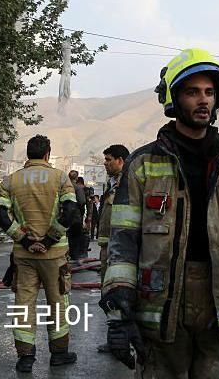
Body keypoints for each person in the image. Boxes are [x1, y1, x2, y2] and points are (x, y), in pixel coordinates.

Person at [101, 49, 219, 378]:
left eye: (209, 92)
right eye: (192, 92)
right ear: (173, 99)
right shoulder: (143, 165)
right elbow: (123, 244)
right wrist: (119, 310)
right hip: (161, 311)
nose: (203, 100)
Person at [0, 134, 81, 371]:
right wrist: (49, 240)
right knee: (58, 303)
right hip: (55, 256)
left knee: (24, 304)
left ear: (28, 154)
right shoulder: (61, 178)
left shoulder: (11, 181)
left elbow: (1, 213)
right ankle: (59, 353)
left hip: (24, 257)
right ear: (47, 154)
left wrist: (24, 240)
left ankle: (25, 357)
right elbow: (70, 211)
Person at [96, 144, 129, 355]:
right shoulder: (112, 184)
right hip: (108, 248)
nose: (105, 163)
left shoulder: (128, 184)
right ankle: (115, 339)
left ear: (120, 160)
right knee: (109, 295)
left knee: (118, 294)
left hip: (120, 250)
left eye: (109, 159)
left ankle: (122, 342)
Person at [66, 176, 88, 263]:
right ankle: (75, 256)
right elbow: (82, 202)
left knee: (68, 237)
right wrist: (81, 213)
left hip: (65, 216)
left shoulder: (64, 186)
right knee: (77, 237)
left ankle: (69, 254)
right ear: (76, 178)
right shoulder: (78, 188)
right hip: (76, 217)